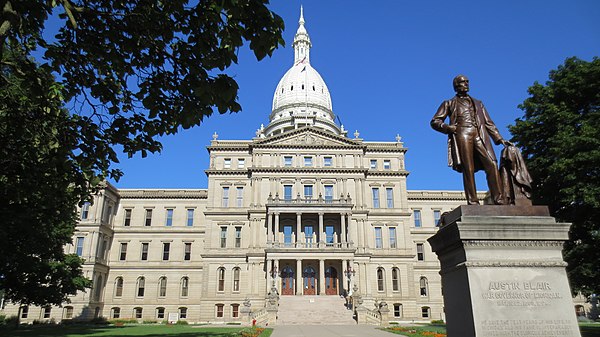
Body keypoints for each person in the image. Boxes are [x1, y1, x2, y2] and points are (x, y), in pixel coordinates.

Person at [430, 75, 511, 205]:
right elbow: (435, 121)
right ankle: (473, 201)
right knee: (468, 168)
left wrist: (500, 139)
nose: (466, 84)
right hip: (462, 133)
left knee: (491, 163)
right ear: (456, 86)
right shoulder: (449, 103)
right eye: (463, 82)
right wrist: (448, 128)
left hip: (479, 134)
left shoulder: (478, 103)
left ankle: (499, 198)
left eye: (467, 82)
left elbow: (488, 123)